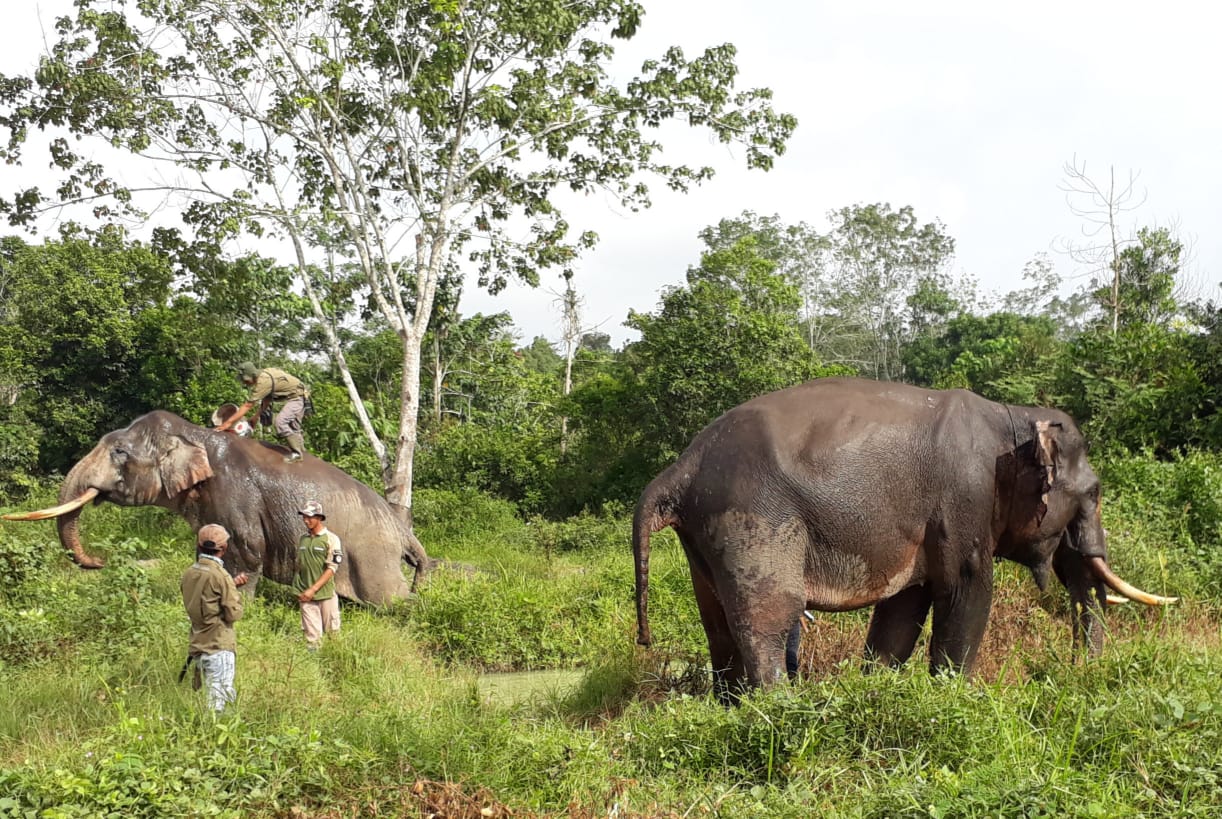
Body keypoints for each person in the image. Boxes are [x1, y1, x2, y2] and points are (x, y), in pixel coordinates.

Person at [180, 524, 249, 712]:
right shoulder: (221, 576)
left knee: (207, 696)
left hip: (198, 644)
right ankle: (212, 738)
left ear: (199, 545)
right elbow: (233, 614)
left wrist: (230, 586)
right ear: (223, 549)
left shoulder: (189, 573)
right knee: (219, 701)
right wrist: (233, 590)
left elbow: (204, 598)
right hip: (219, 645)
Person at [216, 362, 310, 462]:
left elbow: (248, 405)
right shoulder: (263, 376)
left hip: (298, 397)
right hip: (299, 394)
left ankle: (297, 454)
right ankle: (302, 452)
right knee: (294, 427)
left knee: (281, 422)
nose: (245, 383)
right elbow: (266, 400)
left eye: (246, 380)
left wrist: (227, 424)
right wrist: (256, 417)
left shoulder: (263, 381)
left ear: (252, 375)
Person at [293, 499, 343, 651]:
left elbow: (332, 568)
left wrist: (313, 589)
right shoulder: (303, 539)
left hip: (325, 594)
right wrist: (299, 588)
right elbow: (299, 564)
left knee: (333, 633)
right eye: (304, 516)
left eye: (310, 517)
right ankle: (313, 670)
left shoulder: (331, 539)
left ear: (319, 518)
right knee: (312, 638)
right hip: (305, 595)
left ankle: (336, 664)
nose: (306, 520)